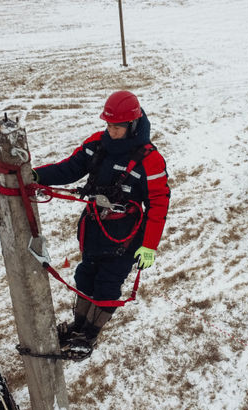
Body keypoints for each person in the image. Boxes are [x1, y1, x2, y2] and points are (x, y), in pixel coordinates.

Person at [32, 90, 170, 357]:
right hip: (95, 230)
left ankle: (90, 334)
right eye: (108, 125)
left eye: (117, 127)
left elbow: (159, 203)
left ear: (132, 125)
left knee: (107, 285)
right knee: (85, 277)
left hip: (126, 238)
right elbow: (69, 168)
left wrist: (149, 245)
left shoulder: (150, 160)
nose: (111, 131)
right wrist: (37, 175)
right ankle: (78, 325)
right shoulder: (97, 144)